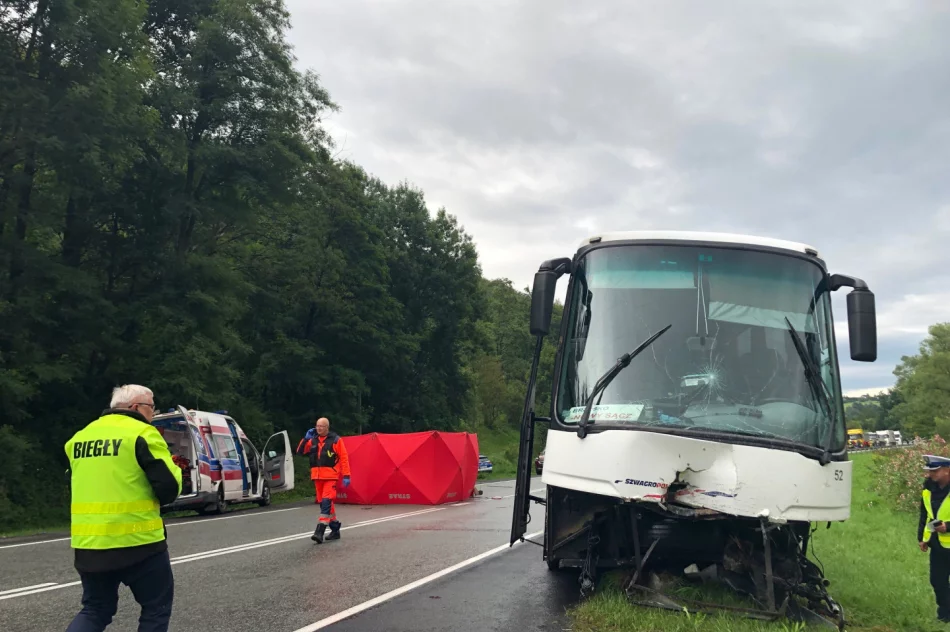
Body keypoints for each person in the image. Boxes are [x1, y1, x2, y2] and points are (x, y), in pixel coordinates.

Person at [64, 384, 182, 632]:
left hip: (90, 544)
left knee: (95, 609)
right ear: (136, 407)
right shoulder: (142, 434)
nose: (153, 413)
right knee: (155, 608)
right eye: (152, 407)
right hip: (139, 542)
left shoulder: (80, 437)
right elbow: (169, 488)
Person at [295, 417, 351, 543]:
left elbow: (344, 458)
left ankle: (319, 532)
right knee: (324, 504)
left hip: (331, 476)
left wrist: (347, 475)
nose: (318, 428)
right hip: (317, 476)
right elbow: (300, 451)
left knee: (326, 502)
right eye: (317, 426)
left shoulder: (336, 440)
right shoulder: (313, 440)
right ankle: (335, 529)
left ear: (327, 427)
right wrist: (305, 439)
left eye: (321, 426)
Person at [919, 454, 950, 624]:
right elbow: (925, 514)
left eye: (935, 471)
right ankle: (945, 614)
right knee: (938, 582)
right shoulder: (928, 488)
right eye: (929, 471)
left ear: (947, 471)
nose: (931, 474)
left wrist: (948, 526)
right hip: (937, 544)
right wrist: (922, 538)